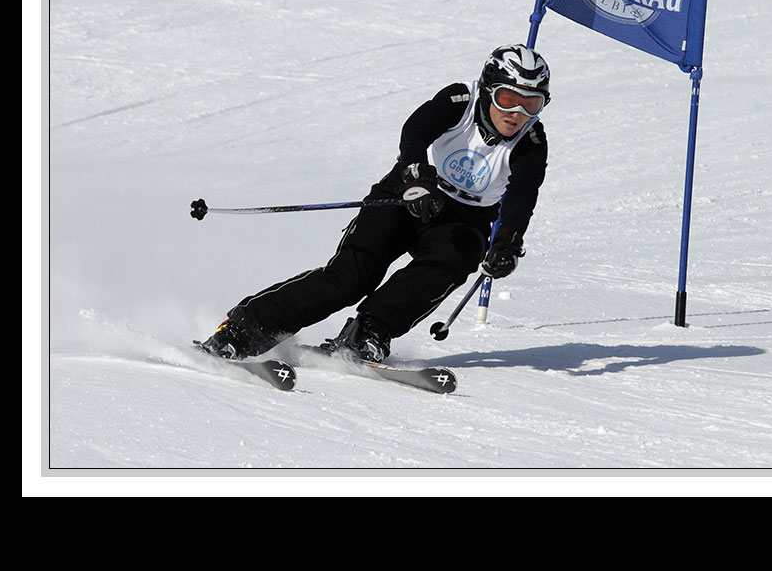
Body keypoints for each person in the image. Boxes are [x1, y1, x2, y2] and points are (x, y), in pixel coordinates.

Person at [197, 44, 551, 363]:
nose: (517, 112)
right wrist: (415, 177)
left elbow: (523, 195)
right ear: (488, 91)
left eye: (531, 102)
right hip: (408, 194)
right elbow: (415, 131)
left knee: (458, 257)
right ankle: (242, 330)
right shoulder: (460, 100)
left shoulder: (531, 141)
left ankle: (369, 333)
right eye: (508, 98)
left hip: (464, 220)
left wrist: (507, 242)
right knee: (349, 279)